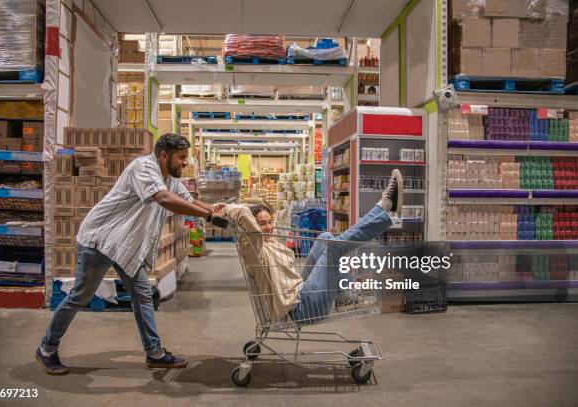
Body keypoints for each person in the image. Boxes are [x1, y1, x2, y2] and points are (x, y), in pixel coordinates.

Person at [36, 134, 224, 375]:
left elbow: (188, 201)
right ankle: (47, 348)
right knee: (80, 296)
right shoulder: (143, 167)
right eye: (181, 158)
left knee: (142, 294)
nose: (184, 163)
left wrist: (215, 210)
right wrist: (209, 216)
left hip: (126, 246)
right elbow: (164, 199)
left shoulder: (170, 178)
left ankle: (154, 353)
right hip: (101, 239)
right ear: (163, 155)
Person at [222, 169, 403, 324]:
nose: (268, 227)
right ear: (252, 226)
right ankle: (384, 206)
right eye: (262, 224)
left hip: (301, 294)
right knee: (333, 247)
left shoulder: (271, 243)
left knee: (325, 238)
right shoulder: (254, 249)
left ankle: (345, 296)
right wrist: (222, 208)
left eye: (270, 222)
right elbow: (243, 213)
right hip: (301, 310)